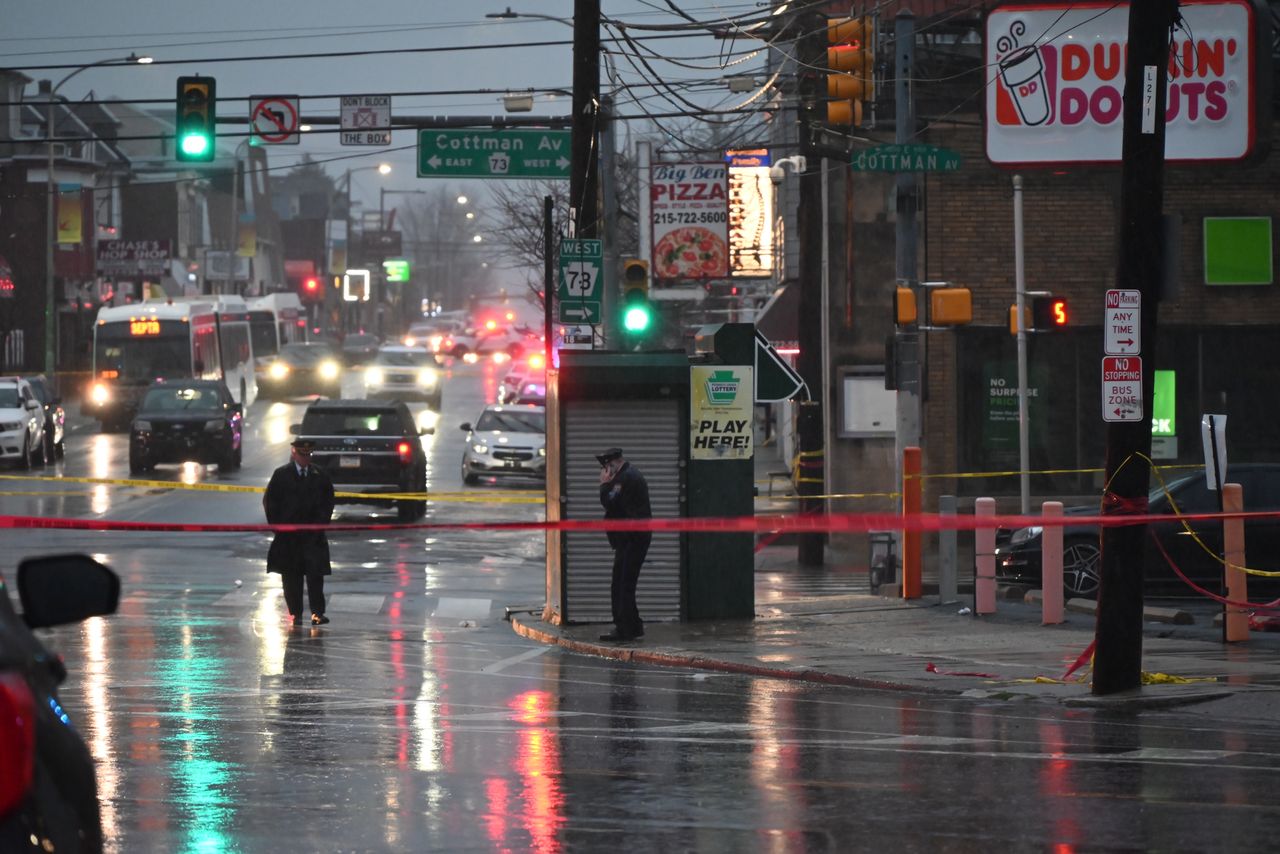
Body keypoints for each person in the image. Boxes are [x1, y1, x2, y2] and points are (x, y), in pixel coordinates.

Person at [264, 438, 336, 626]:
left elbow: (328, 502)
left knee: (315, 576)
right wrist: (278, 527)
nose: (306, 458)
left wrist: (320, 525)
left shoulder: (320, 475)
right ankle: (295, 613)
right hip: (289, 536)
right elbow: (270, 502)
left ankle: (317, 613)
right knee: (291, 577)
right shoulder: (281, 475)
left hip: (313, 536)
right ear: (294, 453)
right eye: (303, 455)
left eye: (309, 455)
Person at [597, 447, 651, 642]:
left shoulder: (624, 478)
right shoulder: (627, 475)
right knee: (623, 583)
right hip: (630, 538)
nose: (604, 472)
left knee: (622, 585)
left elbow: (609, 502)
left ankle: (625, 628)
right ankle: (632, 626)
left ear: (611, 465)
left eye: (606, 468)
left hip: (631, 539)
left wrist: (604, 485)